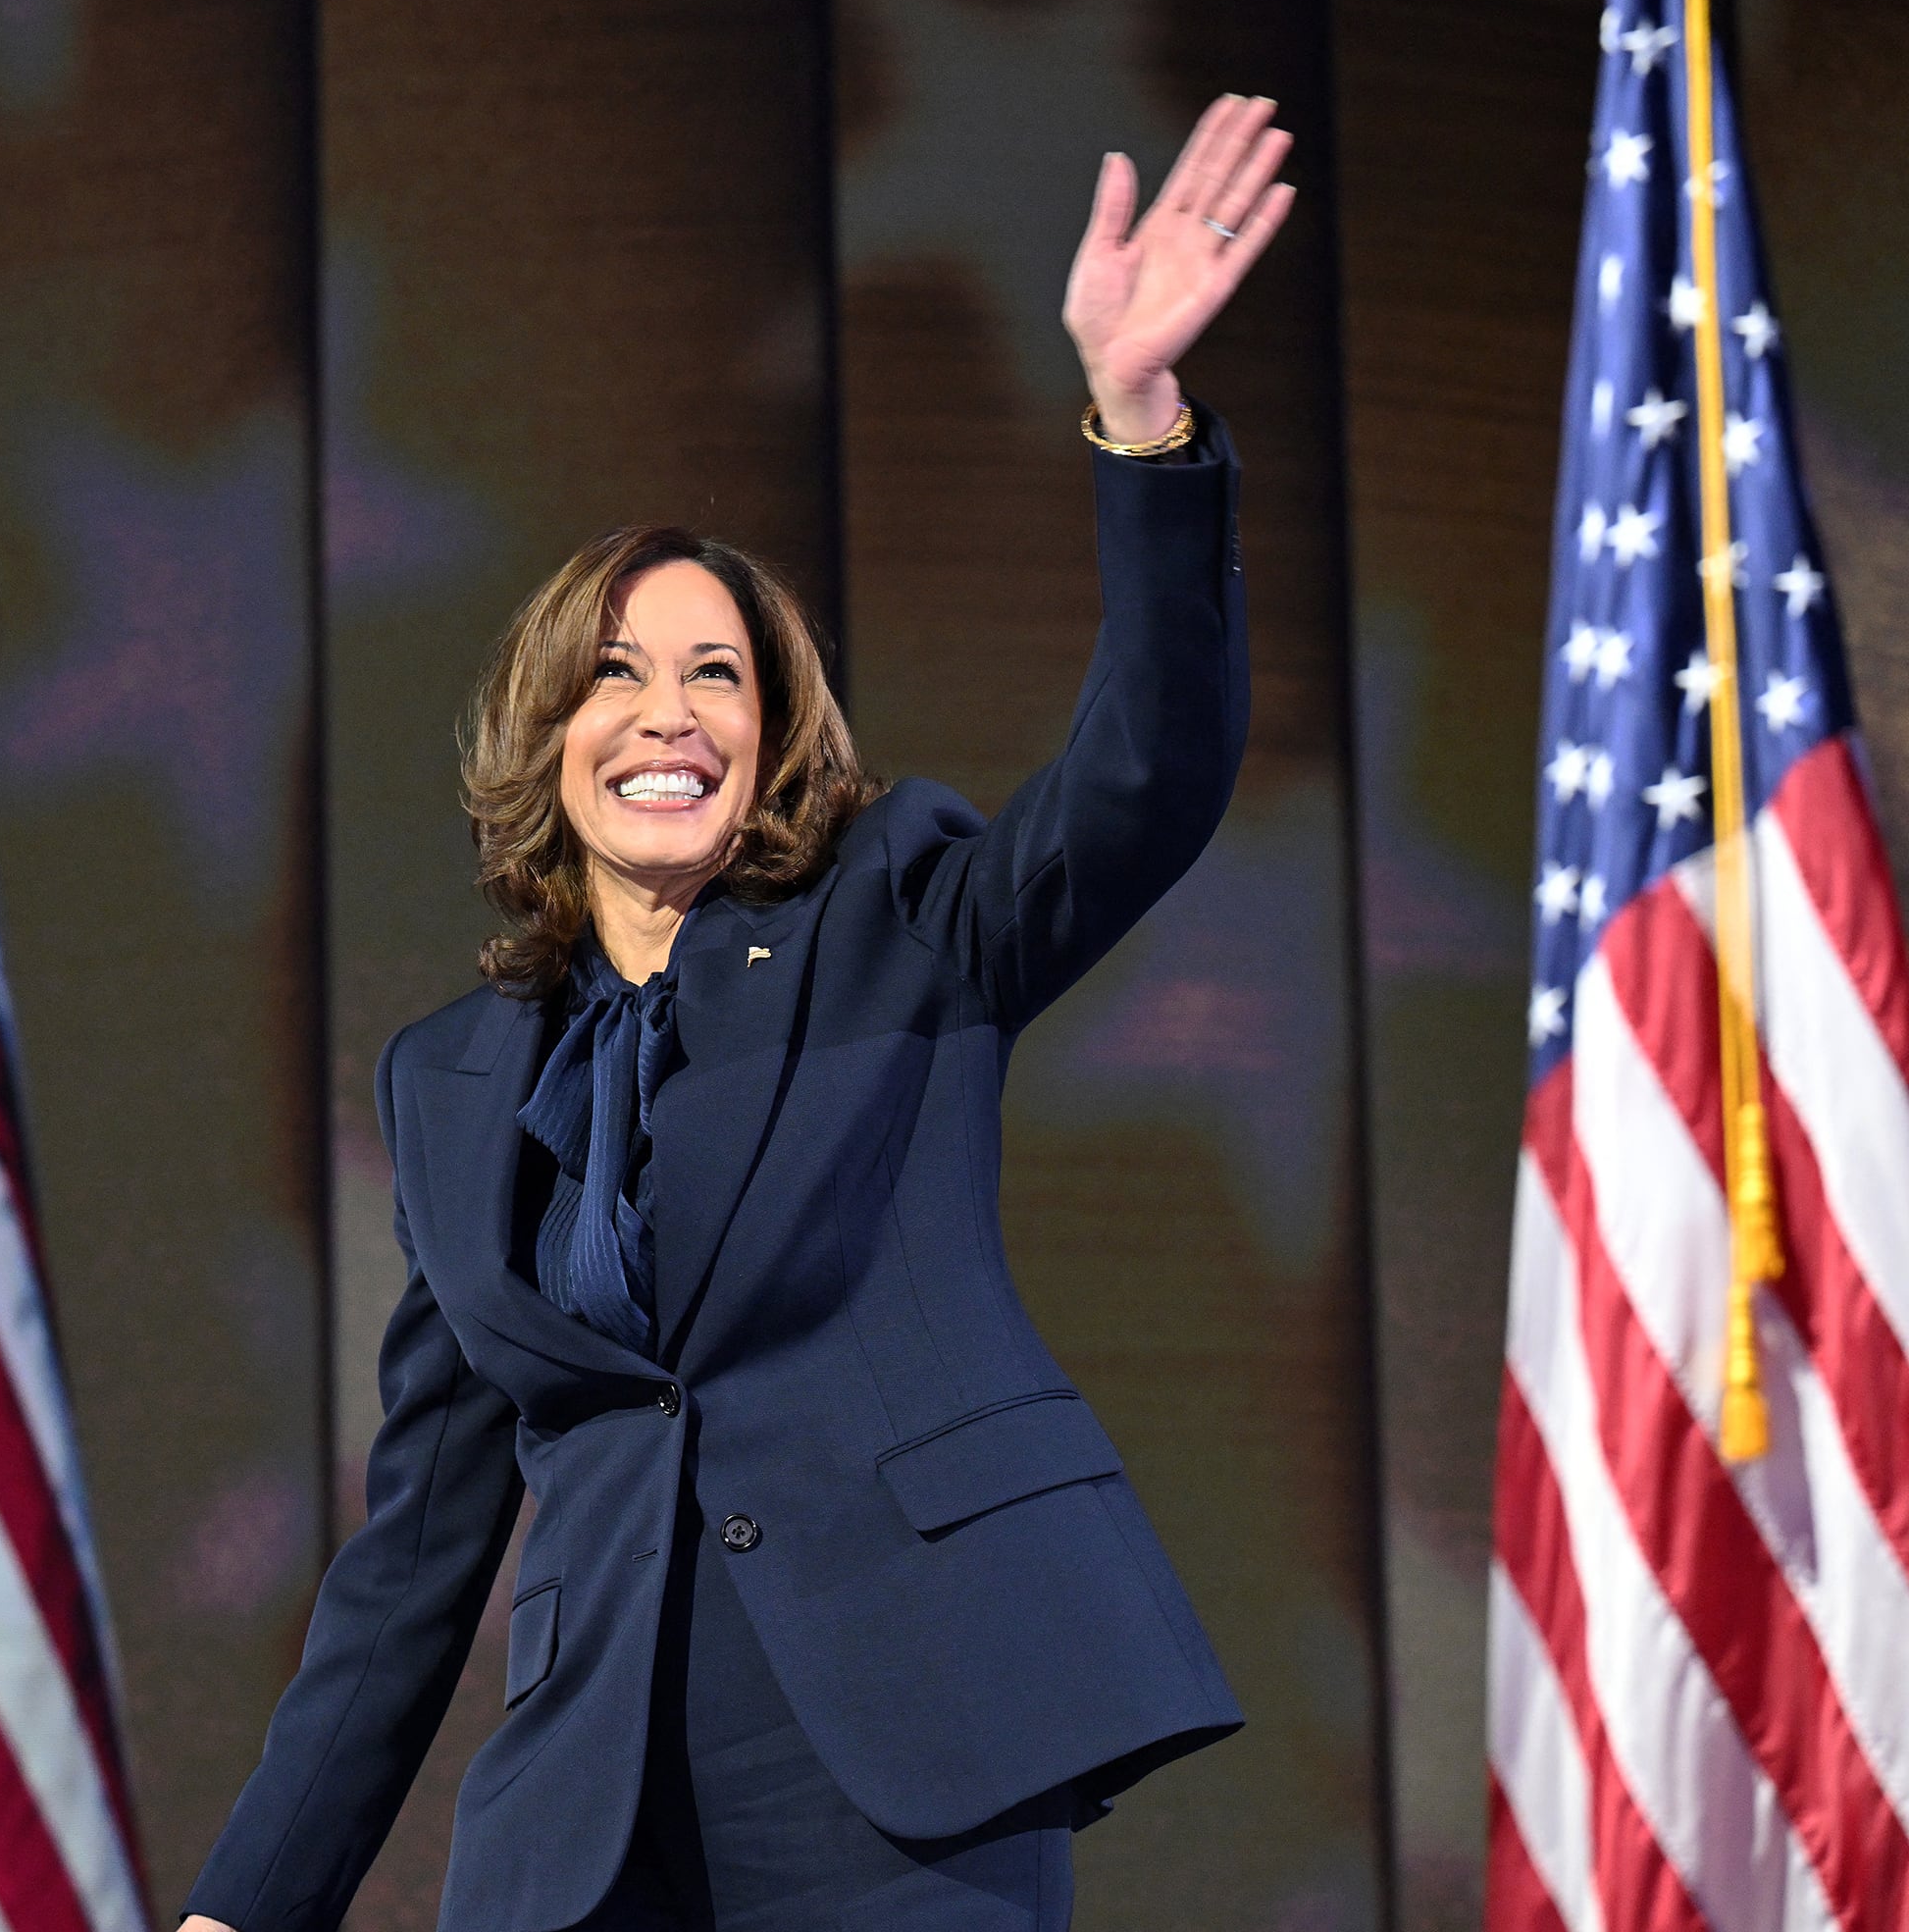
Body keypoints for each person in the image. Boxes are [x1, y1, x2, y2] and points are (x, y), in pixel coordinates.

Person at [181, 93, 1296, 1932]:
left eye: (720, 674)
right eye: (618, 674)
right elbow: (419, 1553)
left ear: (774, 739)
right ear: (549, 738)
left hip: (906, 1762)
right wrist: (243, 1908)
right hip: (590, 1815)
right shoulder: (454, 1086)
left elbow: (1146, 780)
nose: (671, 711)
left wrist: (1143, 420)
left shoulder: (898, 922)